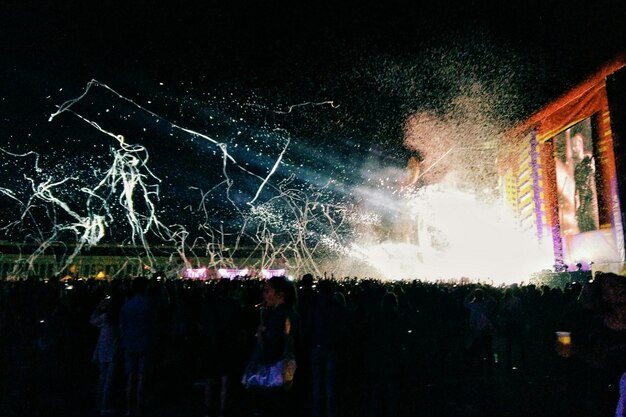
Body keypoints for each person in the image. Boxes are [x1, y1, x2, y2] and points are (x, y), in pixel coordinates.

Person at [245, 276, 301, 417]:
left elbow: (274, 345)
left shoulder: (279, 315)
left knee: (270, 406)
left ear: (280, 294)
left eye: (268, 291)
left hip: (274, 371)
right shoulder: (289, 312)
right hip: (284, 370)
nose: (265, 294)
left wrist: (261, 335)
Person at [119, 276, 157, 417]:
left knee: (130, 376)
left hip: (129, 342)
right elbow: (153, 323)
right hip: (144, 342)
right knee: (141, 376)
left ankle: (129, 409)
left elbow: (122, 324)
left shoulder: (128, 304)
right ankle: (139, 408)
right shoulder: (149, 303)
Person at [90, 290, 122, 416]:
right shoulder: (117, 319)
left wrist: (98, 307)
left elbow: (92, 320)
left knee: (102, 379)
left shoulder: (105, 318)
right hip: (112, 352)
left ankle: (100, 405)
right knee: (108, 380)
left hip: (103, 351)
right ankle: (105, 406)